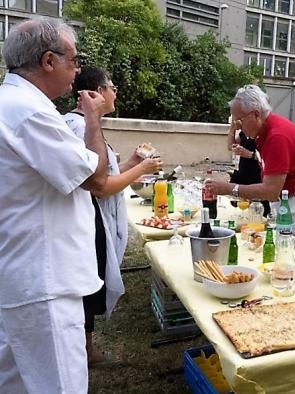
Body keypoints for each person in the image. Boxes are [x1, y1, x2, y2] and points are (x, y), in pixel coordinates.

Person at [0, 18, 109, 393]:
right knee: (60, 385)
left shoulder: (14, 104)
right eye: (73, 61)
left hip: (23, 274)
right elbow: (95, 178)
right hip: (44, 281)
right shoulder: (29, 112)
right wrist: (93, 120)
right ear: (49, 61)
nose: (76, 71)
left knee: (17, 382)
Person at [63, 66, 163, 365]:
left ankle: (86, 348)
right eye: (112, 86)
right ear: (95, 92)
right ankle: (86, 352)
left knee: (93, 282)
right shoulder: (78, 127)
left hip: (93, 216)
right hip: (87, 217)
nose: (115, 92)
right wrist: (142, 169)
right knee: (89, 285)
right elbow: (101, 187)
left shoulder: (85, 125)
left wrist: (132, 161)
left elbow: (104, 171)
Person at [205, 85, 295, 250]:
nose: (238, 127)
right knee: (285, 250)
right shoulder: (262, 131)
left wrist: (229, 188)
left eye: (239, 121)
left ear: (256, 114)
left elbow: (270, 190)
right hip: (289, 197)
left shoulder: (277, 135)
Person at [227, 120, 271, 217]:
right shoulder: (244, 133)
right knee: (243, 204)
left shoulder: (260, 134)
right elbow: (230, 146)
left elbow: (268, 157)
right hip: (244, 172)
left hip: (256, 174)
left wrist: (250, 155)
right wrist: (232, 129)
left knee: (259, 207)